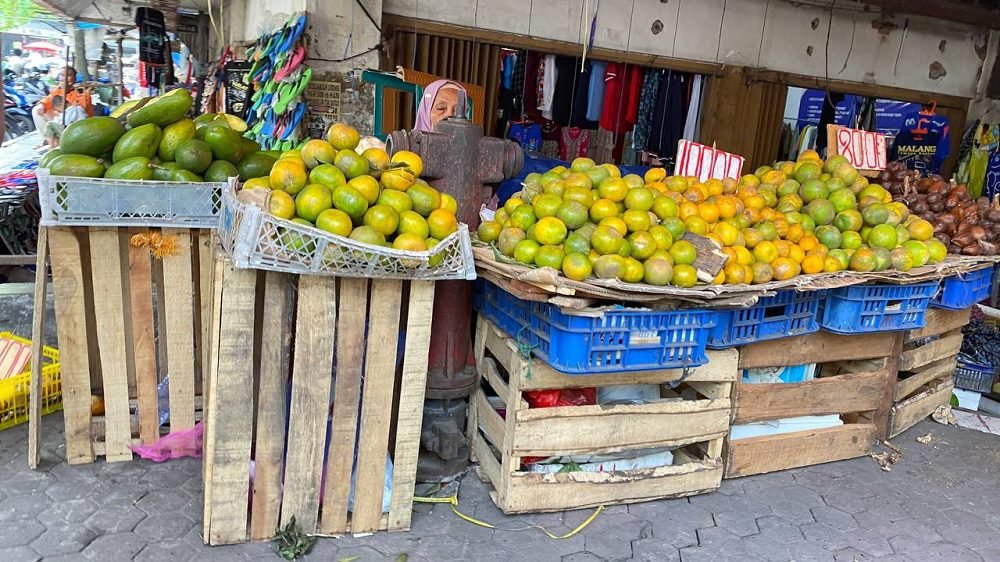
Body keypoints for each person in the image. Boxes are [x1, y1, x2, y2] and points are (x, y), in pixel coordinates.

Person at [32, 66, 92, 134]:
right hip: (60, 122)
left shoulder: (82, 93)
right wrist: (41, 105)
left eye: (68, 75)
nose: (64, 78)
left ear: (74, 78)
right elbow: (47, 99)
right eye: (62, 75)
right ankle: (48, 138)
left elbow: (78, 112)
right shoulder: (58, 90)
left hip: (75, 126)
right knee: (36, 110)